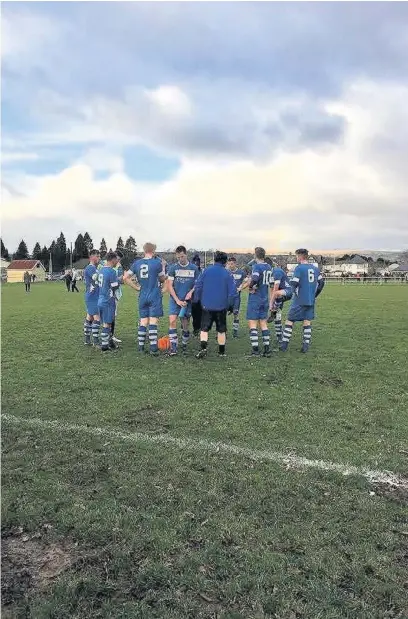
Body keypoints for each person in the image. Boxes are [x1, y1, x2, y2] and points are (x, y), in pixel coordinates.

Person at [123, 242, 165, 355]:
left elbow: (125, 277)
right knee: (153, 321)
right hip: (154, 294)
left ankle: (141, 347)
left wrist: (136, 287)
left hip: (142, 294)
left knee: (143, 321)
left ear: (144, 250)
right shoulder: (157, 263)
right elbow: (162, 279)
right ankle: (153, 348)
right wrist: (164, 267)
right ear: (154, 251)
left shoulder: (137, 263)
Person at [280, 248, 325, 354]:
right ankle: (305, 346)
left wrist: (287, 294)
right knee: (307, 321)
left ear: (300, 256)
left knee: (289, 320)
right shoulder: (314, 268)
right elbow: (322, 283)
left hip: (299, 300)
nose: (296, 258)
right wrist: (315, 295)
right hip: (310, 299)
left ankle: (284, 345)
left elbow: (294, 284)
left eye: (297, 256)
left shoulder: (299, 268)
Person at [193, 251, 236, 359]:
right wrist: (231, 306)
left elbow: (198, 286)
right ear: (225, 262)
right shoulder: (227, 273)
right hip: (221, 306)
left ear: (214, 260)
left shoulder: (206, 271)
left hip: (206, 305)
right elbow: (233, 292)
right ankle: (221, 352)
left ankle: (203, 348)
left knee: (204, 329)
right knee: (221, 330)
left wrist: (196, 300)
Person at [167, 245, 199, 355]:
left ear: (186, 254)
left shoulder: (194, 268)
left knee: (185, 324)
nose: (181, 259)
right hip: (175, 299)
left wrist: (191, 292)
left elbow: (197, 284)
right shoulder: (173, 268)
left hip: (187, 301)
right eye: (178, 257)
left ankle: (184, 343)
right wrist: (176, 300)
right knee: (172, 321)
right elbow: (169, 285)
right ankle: (173, 347)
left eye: (182, 256)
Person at [244, 247, 273, 357]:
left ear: (255, 255)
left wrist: (251, 287)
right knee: (263, 324)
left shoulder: (257, 266)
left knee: (252, 324)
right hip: (265, 297)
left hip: (255, 298)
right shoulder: (269, 266)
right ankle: (267, 350)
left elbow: (255, 278)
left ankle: (255, 350)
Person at [97, 251, 119, 353]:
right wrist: (119, 280)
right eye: (116, 259)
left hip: (100, 299)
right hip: (108, 300)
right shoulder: (112, 271)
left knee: (106, 323)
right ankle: (105, 346)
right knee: (107, 323)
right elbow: (114, 286)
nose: (117, 261)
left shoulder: (101, 270)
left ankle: (108, 343)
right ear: (113, 259)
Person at [267, 264, 293, 343]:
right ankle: (279, 336)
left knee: (277, 294)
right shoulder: (270, 274)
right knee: (278, 315)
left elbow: (275, 289)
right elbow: (271, 290)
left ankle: (273, 312)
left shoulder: (277, 271)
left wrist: (271, 304)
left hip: (288, 291)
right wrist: (271, 302)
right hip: (279, 295)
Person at [83, 249, 101, 346]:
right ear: (92, 257)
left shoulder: (94, 267)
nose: (99, 258)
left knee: (89, 317)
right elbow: (95, 277)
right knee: (97, 318)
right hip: (93, 296)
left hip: (92, 295)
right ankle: (96, 342)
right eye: (97, 256)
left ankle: (87, 340)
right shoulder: (91, 268)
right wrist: (104, 271)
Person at [226, 256, 247, 338]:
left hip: (236, 298)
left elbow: (247, 281)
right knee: (223, 314)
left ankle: (235, 332)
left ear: (235, 264)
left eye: (231, 264)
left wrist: (241, 287)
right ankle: (224, 331)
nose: (230, 265)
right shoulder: (226, 272)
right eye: (229, 264)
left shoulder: (241, 272)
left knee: (236, 313)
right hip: (226, 298)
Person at [191, 254, 202, 336]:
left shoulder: (202, 272)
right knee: (192, 315)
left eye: (197, 262)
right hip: (190, 297)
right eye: (195, 262)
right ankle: (195, 328)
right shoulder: (190, 271)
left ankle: (197, 329)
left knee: (198, 315)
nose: (196, 264)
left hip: (200, 297)